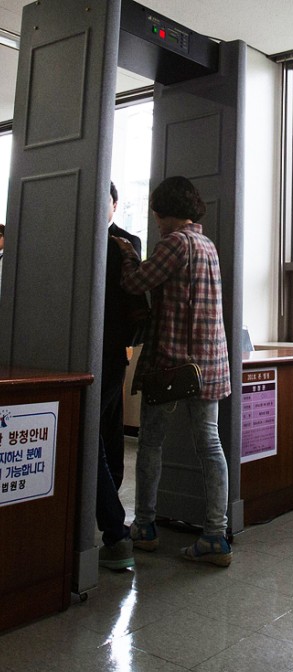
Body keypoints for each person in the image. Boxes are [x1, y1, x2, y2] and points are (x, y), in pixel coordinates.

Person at [115, 176, 234, 568]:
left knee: (150, 444)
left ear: (164, 213)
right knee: (210, 445)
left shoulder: (175, 242)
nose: (156, 223)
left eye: (157, 215)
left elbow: (135, 281)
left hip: (172, 365)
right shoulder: (207, 245)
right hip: (210, 363)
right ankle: (215, 534)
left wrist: (128, 253)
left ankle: (145, 527)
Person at [95, 182, 148, 570]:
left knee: (104, 435)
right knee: (102, 432)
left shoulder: (126, 243)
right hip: (85, 350)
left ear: (115, 205)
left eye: (106, 202)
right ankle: (112, 525)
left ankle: (113, 527)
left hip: (112, 351)